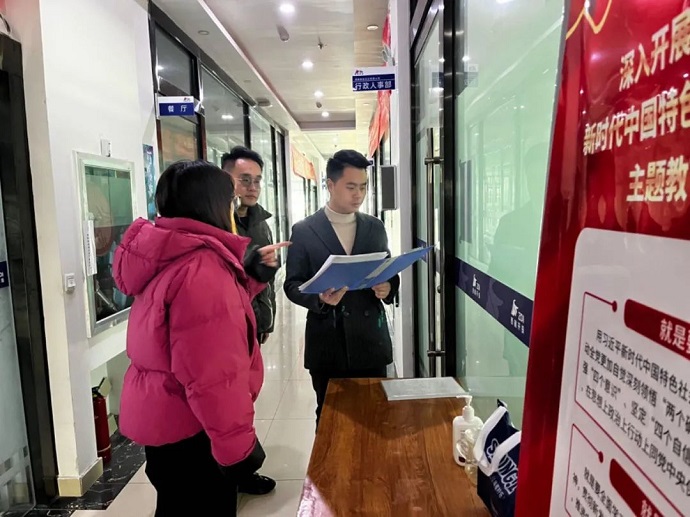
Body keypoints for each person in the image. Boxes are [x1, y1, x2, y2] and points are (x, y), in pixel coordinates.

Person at [113, 160, 287, 516]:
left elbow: (199, 325)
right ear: (213, 205)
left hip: (167, 421)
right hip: (193, 430)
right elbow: (213, 378)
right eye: (229, 200)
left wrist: (249, 278)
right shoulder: (202, 270)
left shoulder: (173, 253)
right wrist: (238, 451)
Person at [283, 149, 400, 428]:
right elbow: (292, 284)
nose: (359, 195)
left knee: (374, 416)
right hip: (328, 341)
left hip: (370, 340)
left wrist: (388, 286)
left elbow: (386, 269)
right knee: (330, 419)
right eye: (351, 187)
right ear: (330, 184)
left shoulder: (374, 227)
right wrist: (320, 299)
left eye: (363, 187)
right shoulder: (305, 230)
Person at [221, 146, 278, 495]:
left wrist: (266, 319)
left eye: (257, 180)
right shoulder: (216, 223)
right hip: (224, 327)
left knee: (244, 399)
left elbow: (266, 277)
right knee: (228, 403)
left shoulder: (259, 221)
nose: (252, 187)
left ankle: (241, 468)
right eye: (244, 180)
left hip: (253, 323)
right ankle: (233, 469)